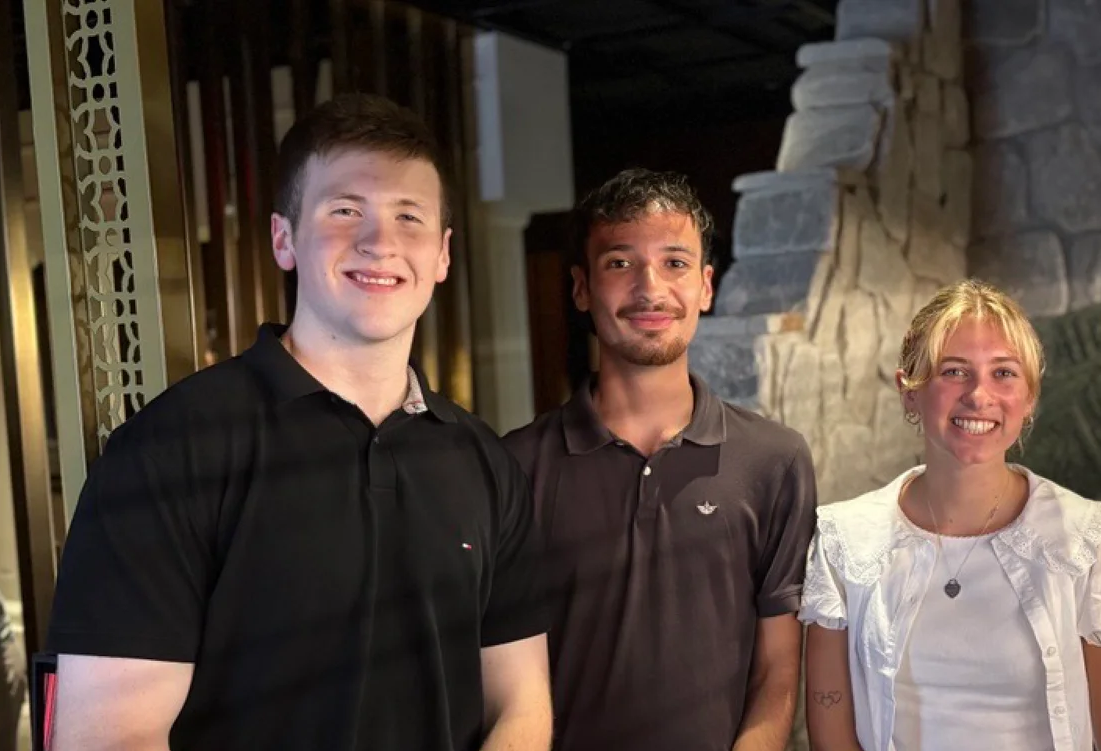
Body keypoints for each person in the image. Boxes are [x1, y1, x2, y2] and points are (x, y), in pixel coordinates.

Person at [45, 94, 553, 751]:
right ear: (285, 238)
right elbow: (109, 736)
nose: (381, 242)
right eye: (345, 211)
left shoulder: (484, 463)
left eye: (410, 217)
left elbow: (522, 703)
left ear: (443, 255)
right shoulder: (171, 449)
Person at [501, 168, 816, 751]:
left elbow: (777, 672)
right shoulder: (515, 467)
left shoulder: (776, 460)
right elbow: (510, 686)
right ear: (580, 287)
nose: (650, 290)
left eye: (674, 263)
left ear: (706, 286)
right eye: (620, 263)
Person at [800, 279, 1101, 751]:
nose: (979, 395)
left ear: (1030, 397)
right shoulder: (844, 540)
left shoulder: (1093, 542)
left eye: (1004, 373)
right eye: (954, 371)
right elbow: (832, 735)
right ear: (908, 391)